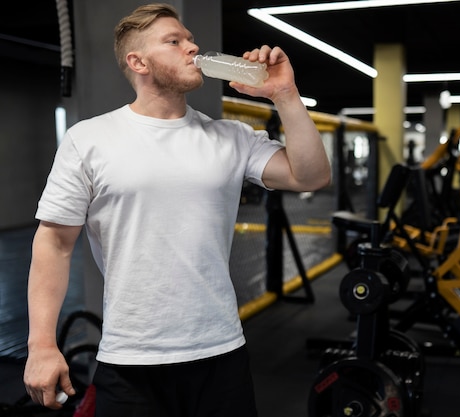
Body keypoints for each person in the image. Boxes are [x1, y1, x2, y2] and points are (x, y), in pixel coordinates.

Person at [23, 3, 331, 416]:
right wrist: (41, 345)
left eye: (190, 38)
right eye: (174, 41)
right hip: (130, 358)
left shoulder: (231, 137)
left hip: (221, 351)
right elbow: (55, 244)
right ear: (139, 62)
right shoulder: (89, 139)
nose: (193, 46)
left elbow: (311, 177)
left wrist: (285, 95)